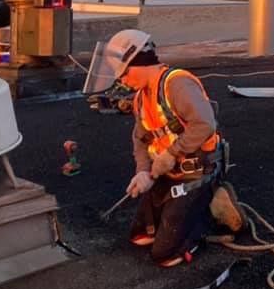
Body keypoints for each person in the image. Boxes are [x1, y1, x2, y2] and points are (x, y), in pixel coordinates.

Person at [99, 29, 246, 267]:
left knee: (165, 255)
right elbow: (140, 139)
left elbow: (205, 124)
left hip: (198, 171)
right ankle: (191, 208)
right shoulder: (140, 98)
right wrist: (142, 171)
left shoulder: (176, 84)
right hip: (168, 172)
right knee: (140, 236)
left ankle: (212, 206)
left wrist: (171, 153)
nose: (122, 81)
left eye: (123, 74)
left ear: (139, 63)